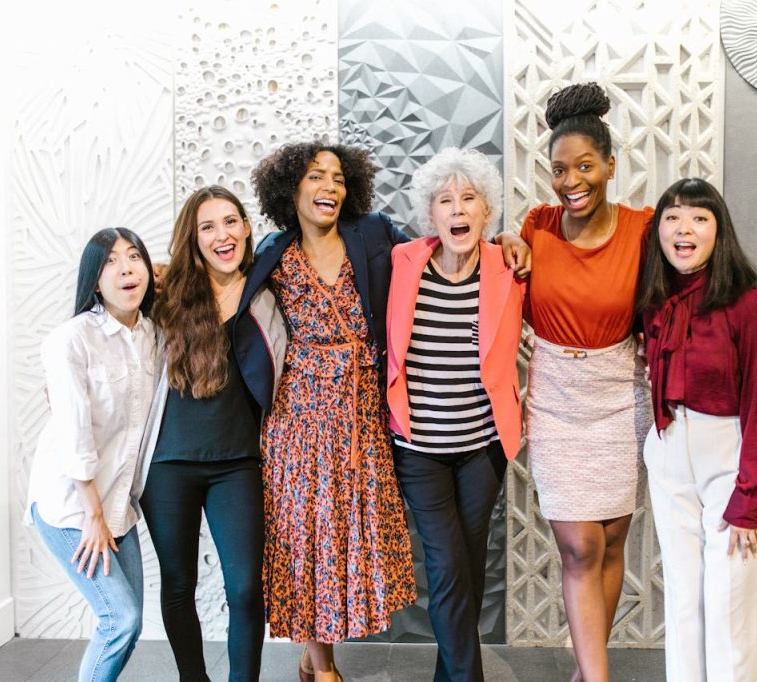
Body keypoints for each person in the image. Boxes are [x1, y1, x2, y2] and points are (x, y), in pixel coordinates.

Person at [504, 82, 757, 681]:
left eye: (585, 165)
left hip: (626, 393)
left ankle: (587, 668)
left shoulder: (643, 228)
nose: (572, 179)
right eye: (559, 169)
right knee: (579, 545)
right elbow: (503, 273)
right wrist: (505, 241)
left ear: (610, 165)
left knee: (610, 543)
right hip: (557, 397)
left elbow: (698, 273)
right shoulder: (537, 226)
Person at [250, 142, 418, 682]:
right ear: (289, 190)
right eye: (316, 177)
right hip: (297, 418)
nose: (329, 187)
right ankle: (325, 669)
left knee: (344, 536)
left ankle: (310, 656)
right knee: (308, 536)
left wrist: (506, 242)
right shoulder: (273, 251)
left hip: (360, 413)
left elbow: (430, 256)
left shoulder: (371, 233)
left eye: (338, 178)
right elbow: (223, 286)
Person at [387, 148, 525, 682]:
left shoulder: (509, 266)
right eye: (445, 200)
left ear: (486, 211)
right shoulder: (402, 263)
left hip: (483, 448)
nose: (457, 208)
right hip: (419, 448)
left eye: (468, 197)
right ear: (431, 215)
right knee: (446, 568)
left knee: (467, 565)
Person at [638, 178, 757, 682]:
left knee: (727, 606)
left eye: (699, 217)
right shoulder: (655, 299)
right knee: (683, 599)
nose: (684, 228)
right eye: (673, 217)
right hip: (669, 447)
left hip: (730, 458)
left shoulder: (751, 306)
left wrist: (752, 497)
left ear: (720, 231)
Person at [140, 186, 269, 682]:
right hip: (168, 465)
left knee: (244, 589)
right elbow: (107, 315)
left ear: (246, 228)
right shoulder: (166, 295)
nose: (222, 234)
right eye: (208, 226)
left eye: (231, 221)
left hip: (237, 463)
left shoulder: (265, 290)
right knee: (178, 585)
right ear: (193, 239)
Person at [25, 227, 158, 682]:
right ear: (93, 280)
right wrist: (93, 515)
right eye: (110, 262)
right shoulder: (72, 339)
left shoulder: (153, 337)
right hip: (72, 505)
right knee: (118, 620)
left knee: (130, 621)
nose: (125, 268)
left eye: (134, 257)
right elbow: (74, 433)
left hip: (119, 504)